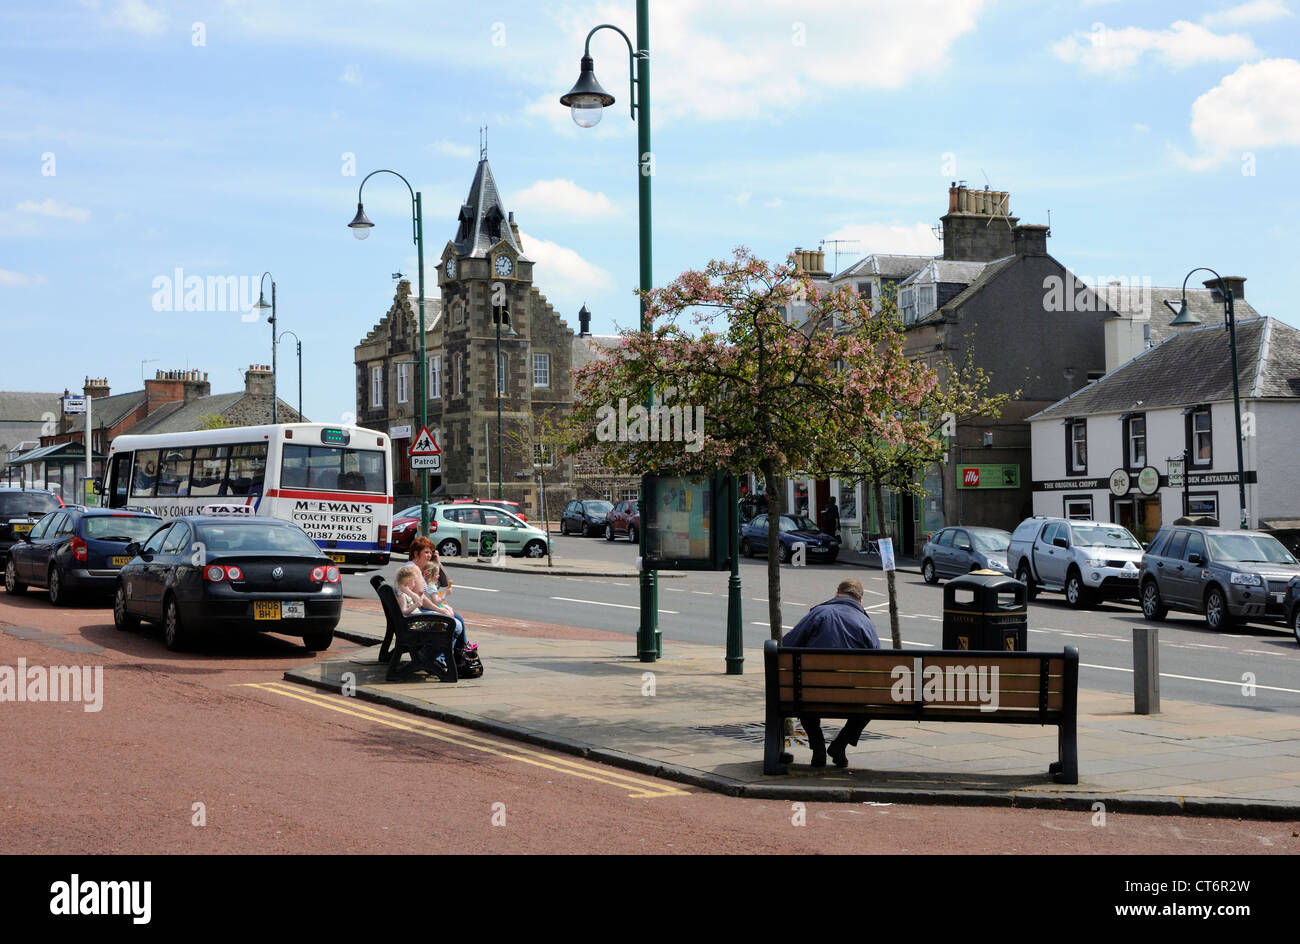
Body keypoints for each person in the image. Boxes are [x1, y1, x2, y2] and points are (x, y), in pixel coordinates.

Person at [781, 578, 880, 769]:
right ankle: (840, 745)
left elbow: (788, 644)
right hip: (852, 696)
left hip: (812, 694)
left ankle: (818, 746)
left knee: (803, 692)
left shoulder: (819, 614)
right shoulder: (865, 622)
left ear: (836, 593)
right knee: (871, 700)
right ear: (860, 600)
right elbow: (876, 662)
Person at [407, 537, 475, 656]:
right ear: (416, 553)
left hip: (410, 615)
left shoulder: (414, 568)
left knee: (457, 619)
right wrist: (439, 610)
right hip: (414, 619)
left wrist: (437, 562)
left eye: (430, 552)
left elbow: (438, 584)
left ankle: (457, 656)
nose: (429, 556)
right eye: (426, 552)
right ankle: (430, 657)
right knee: (455, 625)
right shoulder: (414, 570)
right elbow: (421, 600)